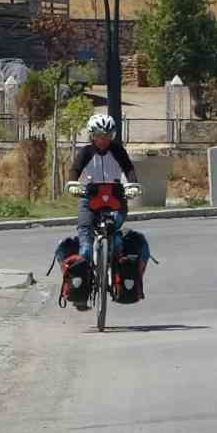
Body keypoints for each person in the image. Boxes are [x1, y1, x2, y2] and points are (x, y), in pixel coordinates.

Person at [66, 114, 140, 309]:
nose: (103, 139)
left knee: (115, 237)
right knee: (86, 243)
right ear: (92, 135)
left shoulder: (118, 151)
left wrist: (132, 185)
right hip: (90, 198)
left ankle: (116, 277)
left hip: (115, 198)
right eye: (99, 135)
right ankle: (81, 292)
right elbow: (75, 170)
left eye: (108, 135)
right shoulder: (86, 152)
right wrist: (73, 184)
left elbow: (129, 170)